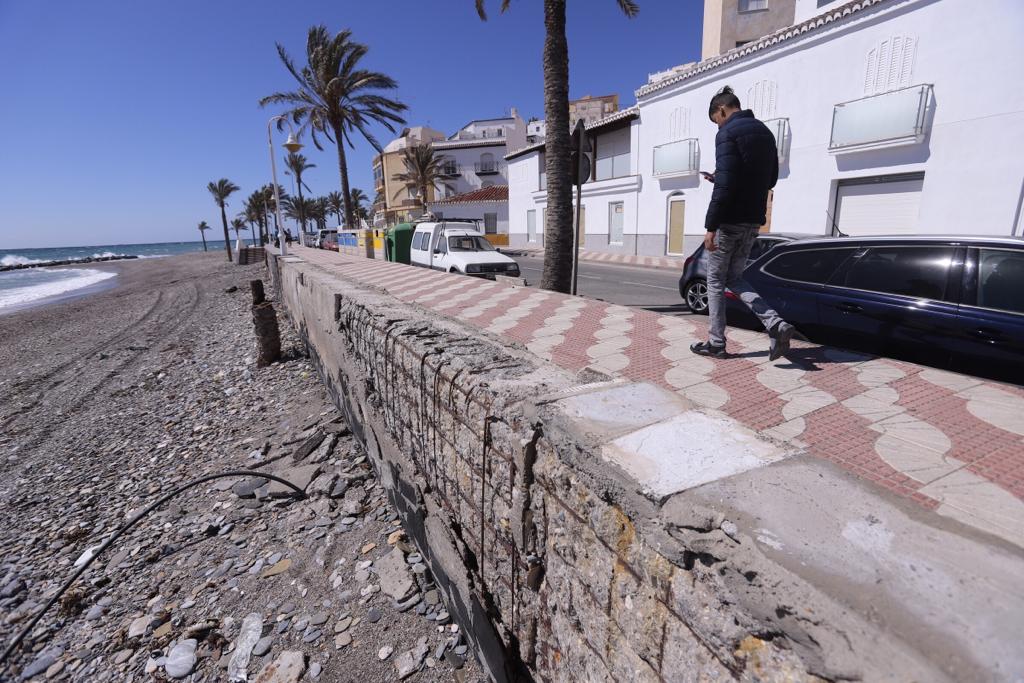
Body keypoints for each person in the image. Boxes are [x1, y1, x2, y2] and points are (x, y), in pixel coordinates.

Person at [690, 86, 795, 361]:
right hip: (753, 221)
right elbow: (770, 179)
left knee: (714, 280)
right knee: (734, 278)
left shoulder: (727, 133)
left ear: (722, 110)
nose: (718, 125)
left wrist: (711, 227)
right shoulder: (766, 132)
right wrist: (722, 177)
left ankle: (716, 342)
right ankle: (775, 323)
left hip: (729, 221)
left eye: (716, 120)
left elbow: (726, 186)